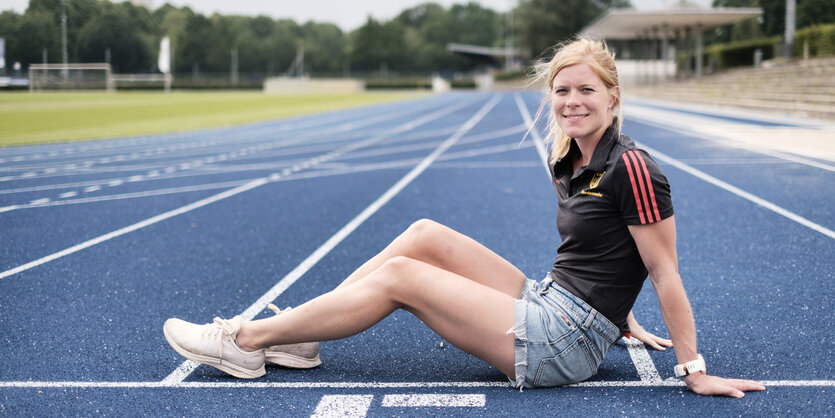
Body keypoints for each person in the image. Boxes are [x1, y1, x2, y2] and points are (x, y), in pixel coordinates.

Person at [163, 38, 765, 397]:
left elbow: (665, 271)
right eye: (561, 91)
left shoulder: (633, 166)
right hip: (556, 302)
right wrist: (619, 310)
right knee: (423, 235)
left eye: (586, 91)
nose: (573, 102)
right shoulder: (572, 155)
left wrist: (695, 370)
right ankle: (305, 335)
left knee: (402, 276)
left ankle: (245, 342)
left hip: (565, 342)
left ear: (612, 98)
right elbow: (608, 249)